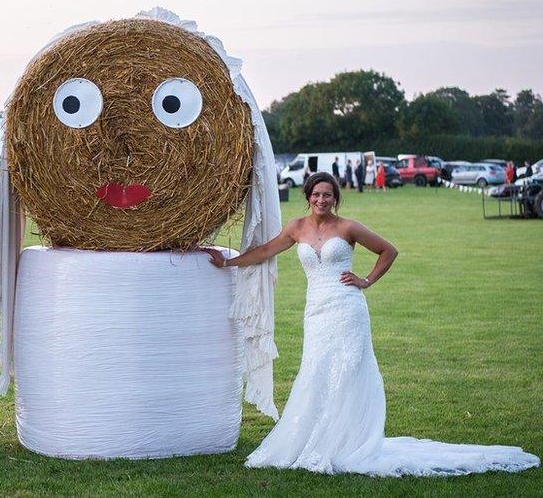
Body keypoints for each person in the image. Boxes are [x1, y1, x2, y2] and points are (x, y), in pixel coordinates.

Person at [204, 172, 539, 476]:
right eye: (317, 194)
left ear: (335, 198)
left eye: (329, 195)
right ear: (308, 195)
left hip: (347, 309)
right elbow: (265, 250)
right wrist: (228, 261)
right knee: (317, 370)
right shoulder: (296, 227)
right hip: (316, 312)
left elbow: (388, 251)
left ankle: (349, 441)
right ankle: (318, 437)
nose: (323, 200)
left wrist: (366, 280)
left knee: (349, 371)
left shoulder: (348, 227)